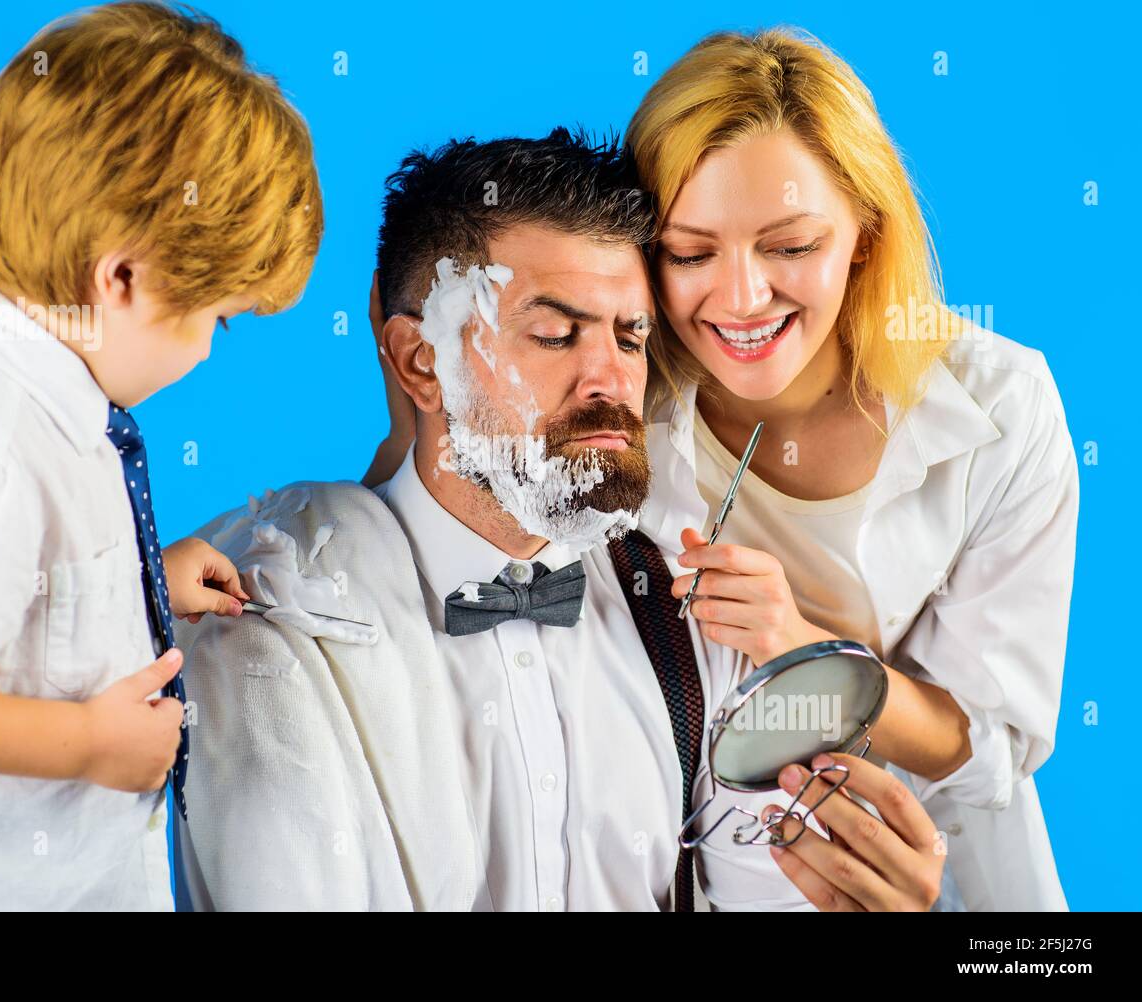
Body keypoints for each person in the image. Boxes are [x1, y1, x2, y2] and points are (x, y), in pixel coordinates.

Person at [178, 128, 944, 911]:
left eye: (631, 336)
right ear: (420, 362)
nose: (613, 378)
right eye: (554, 335)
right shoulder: (274, 610)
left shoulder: (688, 619)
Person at [0, 1, 321, 910]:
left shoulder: (59, 396)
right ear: (123, 277)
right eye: (215, 317)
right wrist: (86, 746)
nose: (211, 350)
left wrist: (142, 581)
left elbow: (17, 596)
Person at [623, 28, 1076, 910]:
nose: (742, 297)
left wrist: (806, 651)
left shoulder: (1002, 409)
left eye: (790, 246)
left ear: (864, 234)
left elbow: (986, 744)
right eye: (690, 252)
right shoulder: (617, 407)